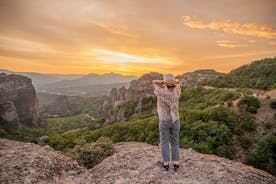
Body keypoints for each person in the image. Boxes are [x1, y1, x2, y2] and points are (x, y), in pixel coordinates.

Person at [152, 73, 181, 171]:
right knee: (175, 142)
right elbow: (178, 82)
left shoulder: (162, 92)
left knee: (164, 142)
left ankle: (166, 163)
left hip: (164, 120)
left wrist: (163, 82)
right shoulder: (177, 91)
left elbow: (154, 82)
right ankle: (176, 162)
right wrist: (173, 81)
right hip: (175, 120)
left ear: (165, 84)